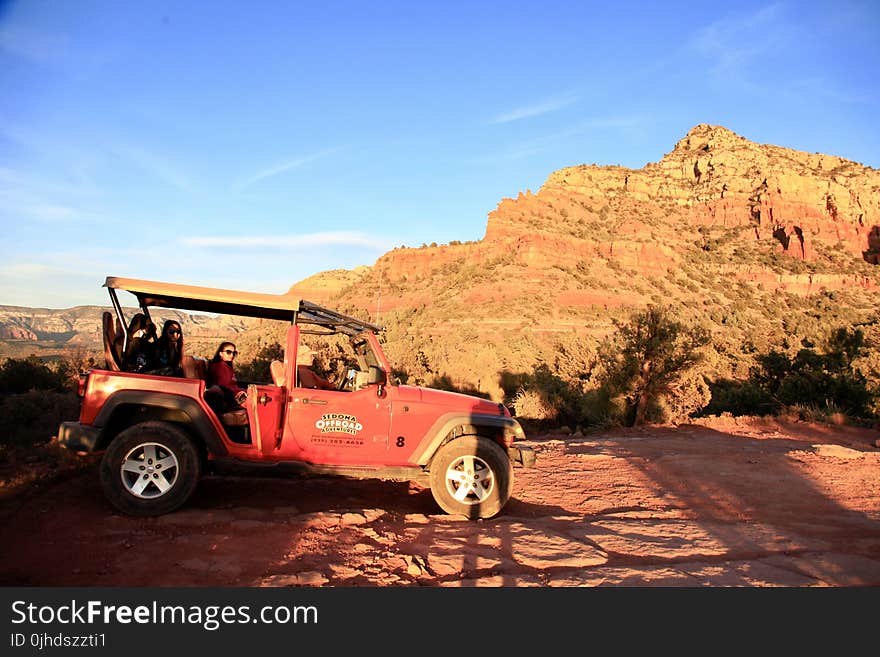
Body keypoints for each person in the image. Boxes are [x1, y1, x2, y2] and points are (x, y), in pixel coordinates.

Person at [207, 341, 247, 412]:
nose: (232, 355)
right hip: (231, 399)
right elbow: (225, 388)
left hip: (234, 396)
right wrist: (242, 392)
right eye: (228, 352)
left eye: (234, 353)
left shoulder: (226, 366)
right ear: (221, 353)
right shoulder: (220, 366)